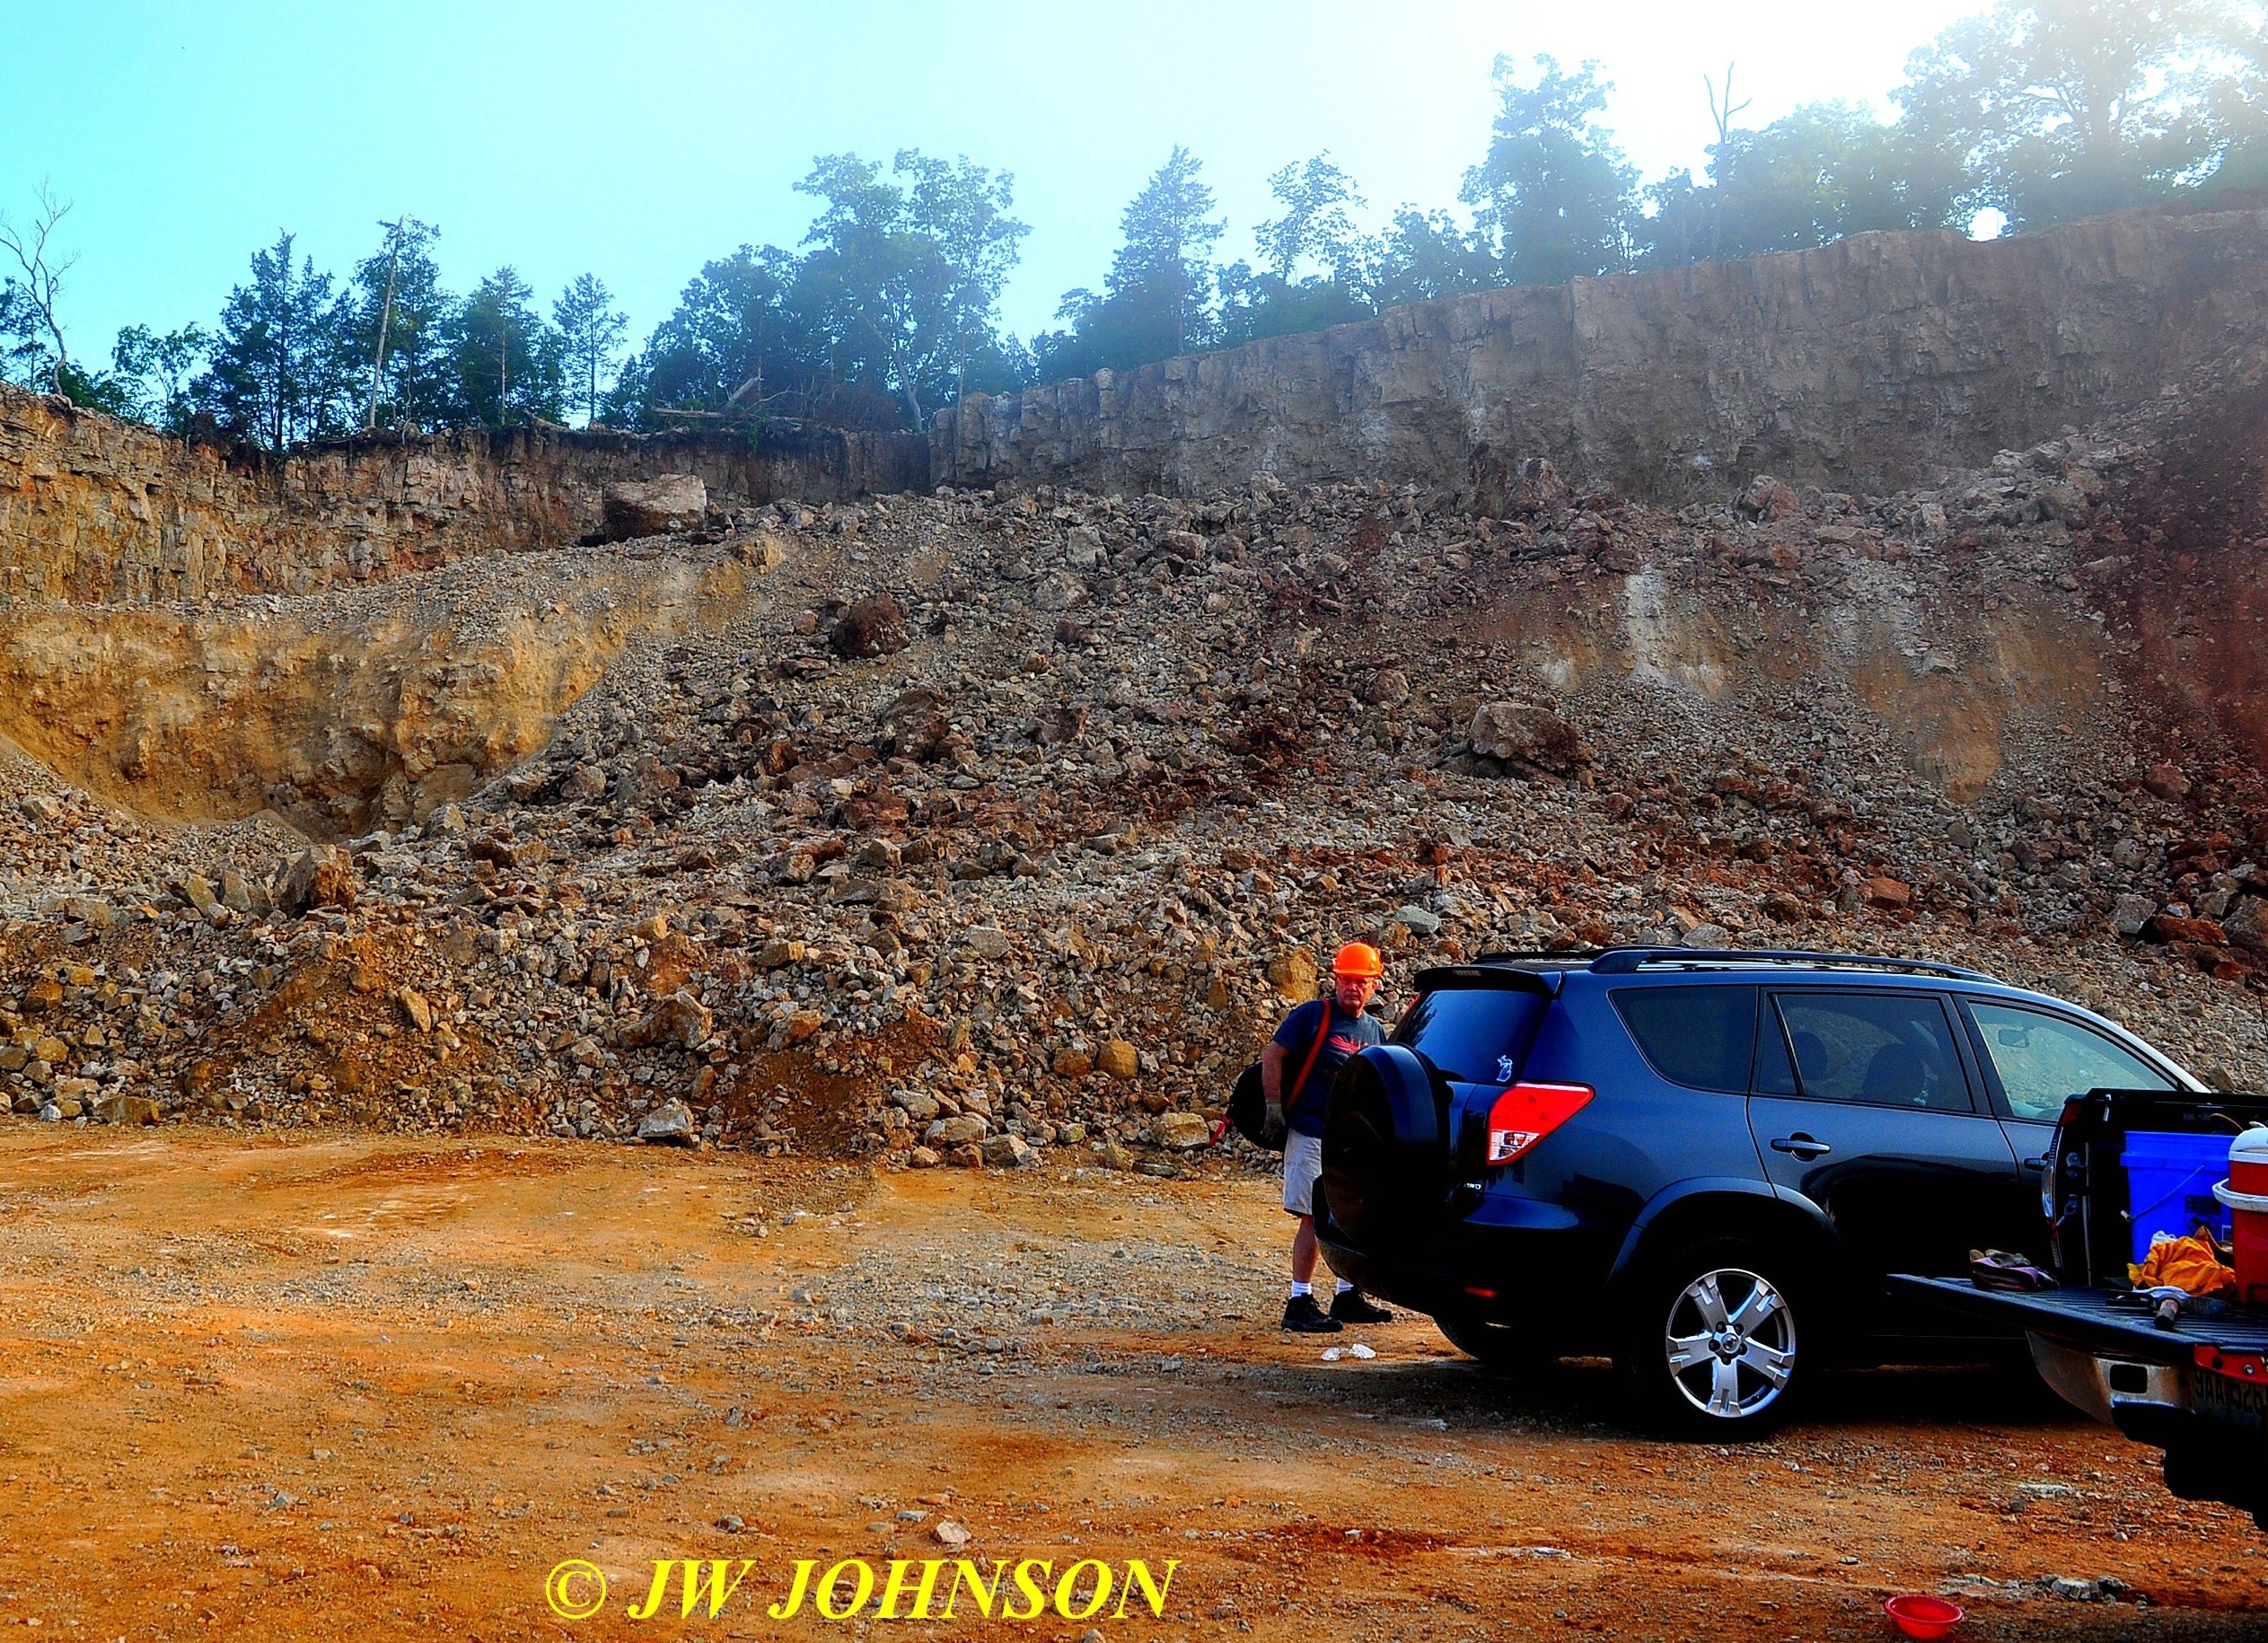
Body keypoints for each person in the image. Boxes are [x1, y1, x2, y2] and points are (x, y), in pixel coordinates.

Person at [1264, 941, 1394, 1332]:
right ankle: (1299, 1301)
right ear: (1335, 981)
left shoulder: (1374, 1031)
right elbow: (1273, 1055)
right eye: (1346, 980)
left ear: (1374, 986)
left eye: (1361, 981)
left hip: (1349, 1144)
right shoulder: (1312, 1016)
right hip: (1310, 1133)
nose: (1352, 987)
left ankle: (1347, 1294)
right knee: (1312, 1216)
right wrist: (1274, 1107)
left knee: (1349, 1217)